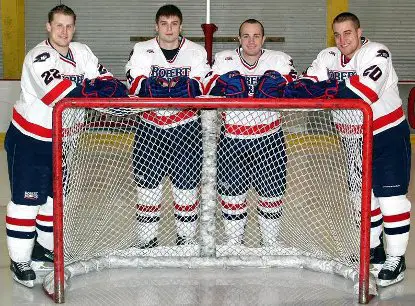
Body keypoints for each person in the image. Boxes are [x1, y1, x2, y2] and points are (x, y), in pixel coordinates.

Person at [284, 12, 411, 287]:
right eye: (338, 34)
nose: (342, 40)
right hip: (352, 139)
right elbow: (304, 87)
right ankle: (374, 250)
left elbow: (363, 93)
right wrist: (324, 88)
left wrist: (324, 88)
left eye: (348, 33)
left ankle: (396, 258)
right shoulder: (327, 56)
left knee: (391, 200)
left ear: (359, 31)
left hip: (386, 135)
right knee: (362, 200)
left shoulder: (377, 52)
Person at [4, 5, 123, 287]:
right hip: (30, 141)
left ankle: (43, 249)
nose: (64, 32)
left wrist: (99, 89)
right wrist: (95, 90)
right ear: (48, 26)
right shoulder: (38, 57)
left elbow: (108, 83)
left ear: (75, 26)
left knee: (54, 199)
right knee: (26, 202)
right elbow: (63, 95)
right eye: (59, 26)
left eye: (69, 26)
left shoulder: (82, 52)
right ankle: (19, 259)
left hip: (64, 141)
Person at [204, 19, 297, 246]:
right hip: (233, 140)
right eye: (246, 36)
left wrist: (280, 83)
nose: (251, 41)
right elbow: (206, 85)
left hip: (269, 140)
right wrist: (223, 83)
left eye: (256, 36)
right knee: (232, 197)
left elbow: (295, 84)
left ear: (264, 39)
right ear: (239, 39)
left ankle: (270, 245)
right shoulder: (224, 59)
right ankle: (234, 244)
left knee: (271, 197)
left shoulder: (279, 60)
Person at [125, 4, 210, 247]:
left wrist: (163, 88)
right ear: (156, 26)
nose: (169, 29)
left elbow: (201, 84)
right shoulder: (142, 49)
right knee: (147, 190)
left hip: (185, 129)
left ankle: (186, 241)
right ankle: (147, 242)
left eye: (174, 24)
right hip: (149, 128)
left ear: (181, 26)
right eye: (164, 24)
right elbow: (135, 83)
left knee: (186, 190)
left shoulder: (195, 51)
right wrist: (175, 89)